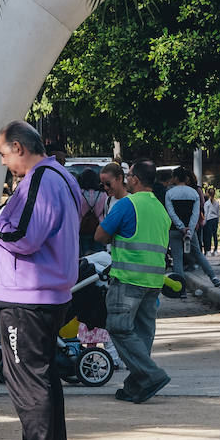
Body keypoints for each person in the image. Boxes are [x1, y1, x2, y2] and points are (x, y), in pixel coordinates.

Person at [0, 120, 80, 440]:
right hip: (46, 292)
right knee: (43, 379)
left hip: (26, 296)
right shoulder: (62, 177)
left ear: (19, 147)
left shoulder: (40, 179)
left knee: (28, 382)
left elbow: (22, 237)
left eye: (3, 154)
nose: (3, 162)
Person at [95, 160, 172, 404]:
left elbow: (100, 235)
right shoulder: (160, 208)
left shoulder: (128, 204)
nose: (127, 179)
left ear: (135, 179)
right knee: (142, 333)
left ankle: (151, 375)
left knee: (118, 327)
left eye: (128, 175)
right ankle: (135, 386)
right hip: (154, 281)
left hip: (128, 278)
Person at [164, 168, 220, 288]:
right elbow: (196, 213)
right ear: (186, 178)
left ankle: (181, 288)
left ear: (175, 178)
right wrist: (189, 229)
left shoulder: (169, 193)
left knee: (177, 259)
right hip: (190, 231)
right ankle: (213, 277)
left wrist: (180, 227)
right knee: (199, 255)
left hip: (174, 230)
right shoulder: (194, 193)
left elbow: (171, 213)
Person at [77, 167, 109, 256]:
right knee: (99, 255)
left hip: (82, 227)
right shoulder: (103, 194)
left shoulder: (79, 194)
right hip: (99, 226)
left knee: (84, 255)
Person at [201, 186, 220, 254]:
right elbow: (218, 212)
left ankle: (208, 250)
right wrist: (218, 220)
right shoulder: (217, 203)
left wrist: (204, 222)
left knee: (208, 236)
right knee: (215, 235)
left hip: (209, 220)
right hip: (215, 219)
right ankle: (215, 250)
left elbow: (206, 213)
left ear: (208, 194)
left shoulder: (207, 203)